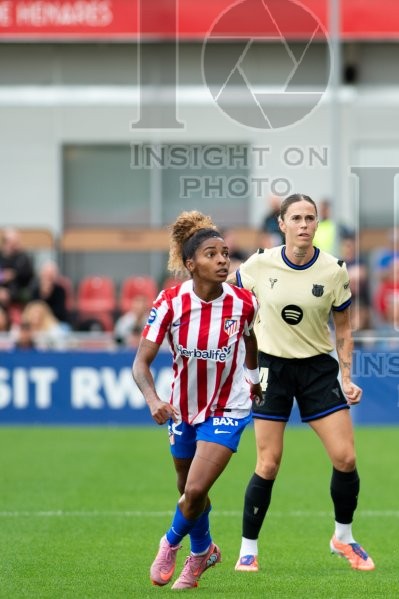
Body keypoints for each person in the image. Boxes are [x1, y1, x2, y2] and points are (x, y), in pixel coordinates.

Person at [230, 194, 374, 572]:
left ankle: (343, 537)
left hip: (316, 370)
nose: (305, 224)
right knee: (269, 463)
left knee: (345, 458)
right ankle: (248, 548)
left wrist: (346, 376)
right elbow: (229, 296)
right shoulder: (259, 265)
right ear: (282, 223)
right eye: (296, 218)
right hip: (271, 369)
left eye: (310, 217)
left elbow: (343, 327)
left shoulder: (334, 270)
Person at [132, 211, 260, 590]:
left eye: (225, 253)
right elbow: (141, 364)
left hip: (229, 407)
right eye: (211, 254)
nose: (222, 260)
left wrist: (252, 379)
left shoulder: (244, 303)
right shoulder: (170, 302)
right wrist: (153, 399)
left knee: (196, 490)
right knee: (185, 487)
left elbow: (251, 341)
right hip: (182, 409)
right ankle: (204, 549)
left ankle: (170, 543)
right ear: (191, 264)